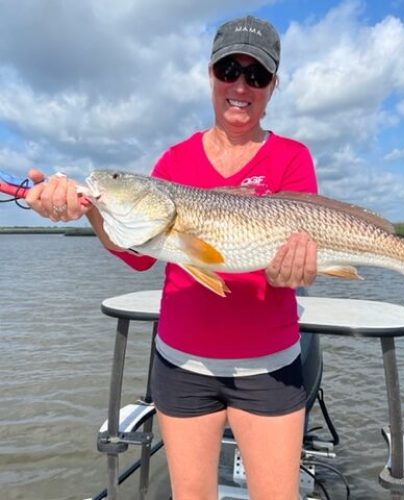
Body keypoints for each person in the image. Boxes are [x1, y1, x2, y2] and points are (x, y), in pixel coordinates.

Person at [27, 15, 319, 500]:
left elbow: (295, 262)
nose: (240, 86)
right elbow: (139, 253)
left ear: (273, 85)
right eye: (229, 69)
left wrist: (299, 267)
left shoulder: (292, 158)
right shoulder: (174, 163)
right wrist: (89, 209)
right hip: (181, 366)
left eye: (257, 75)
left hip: (268, 366)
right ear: (211, 74)